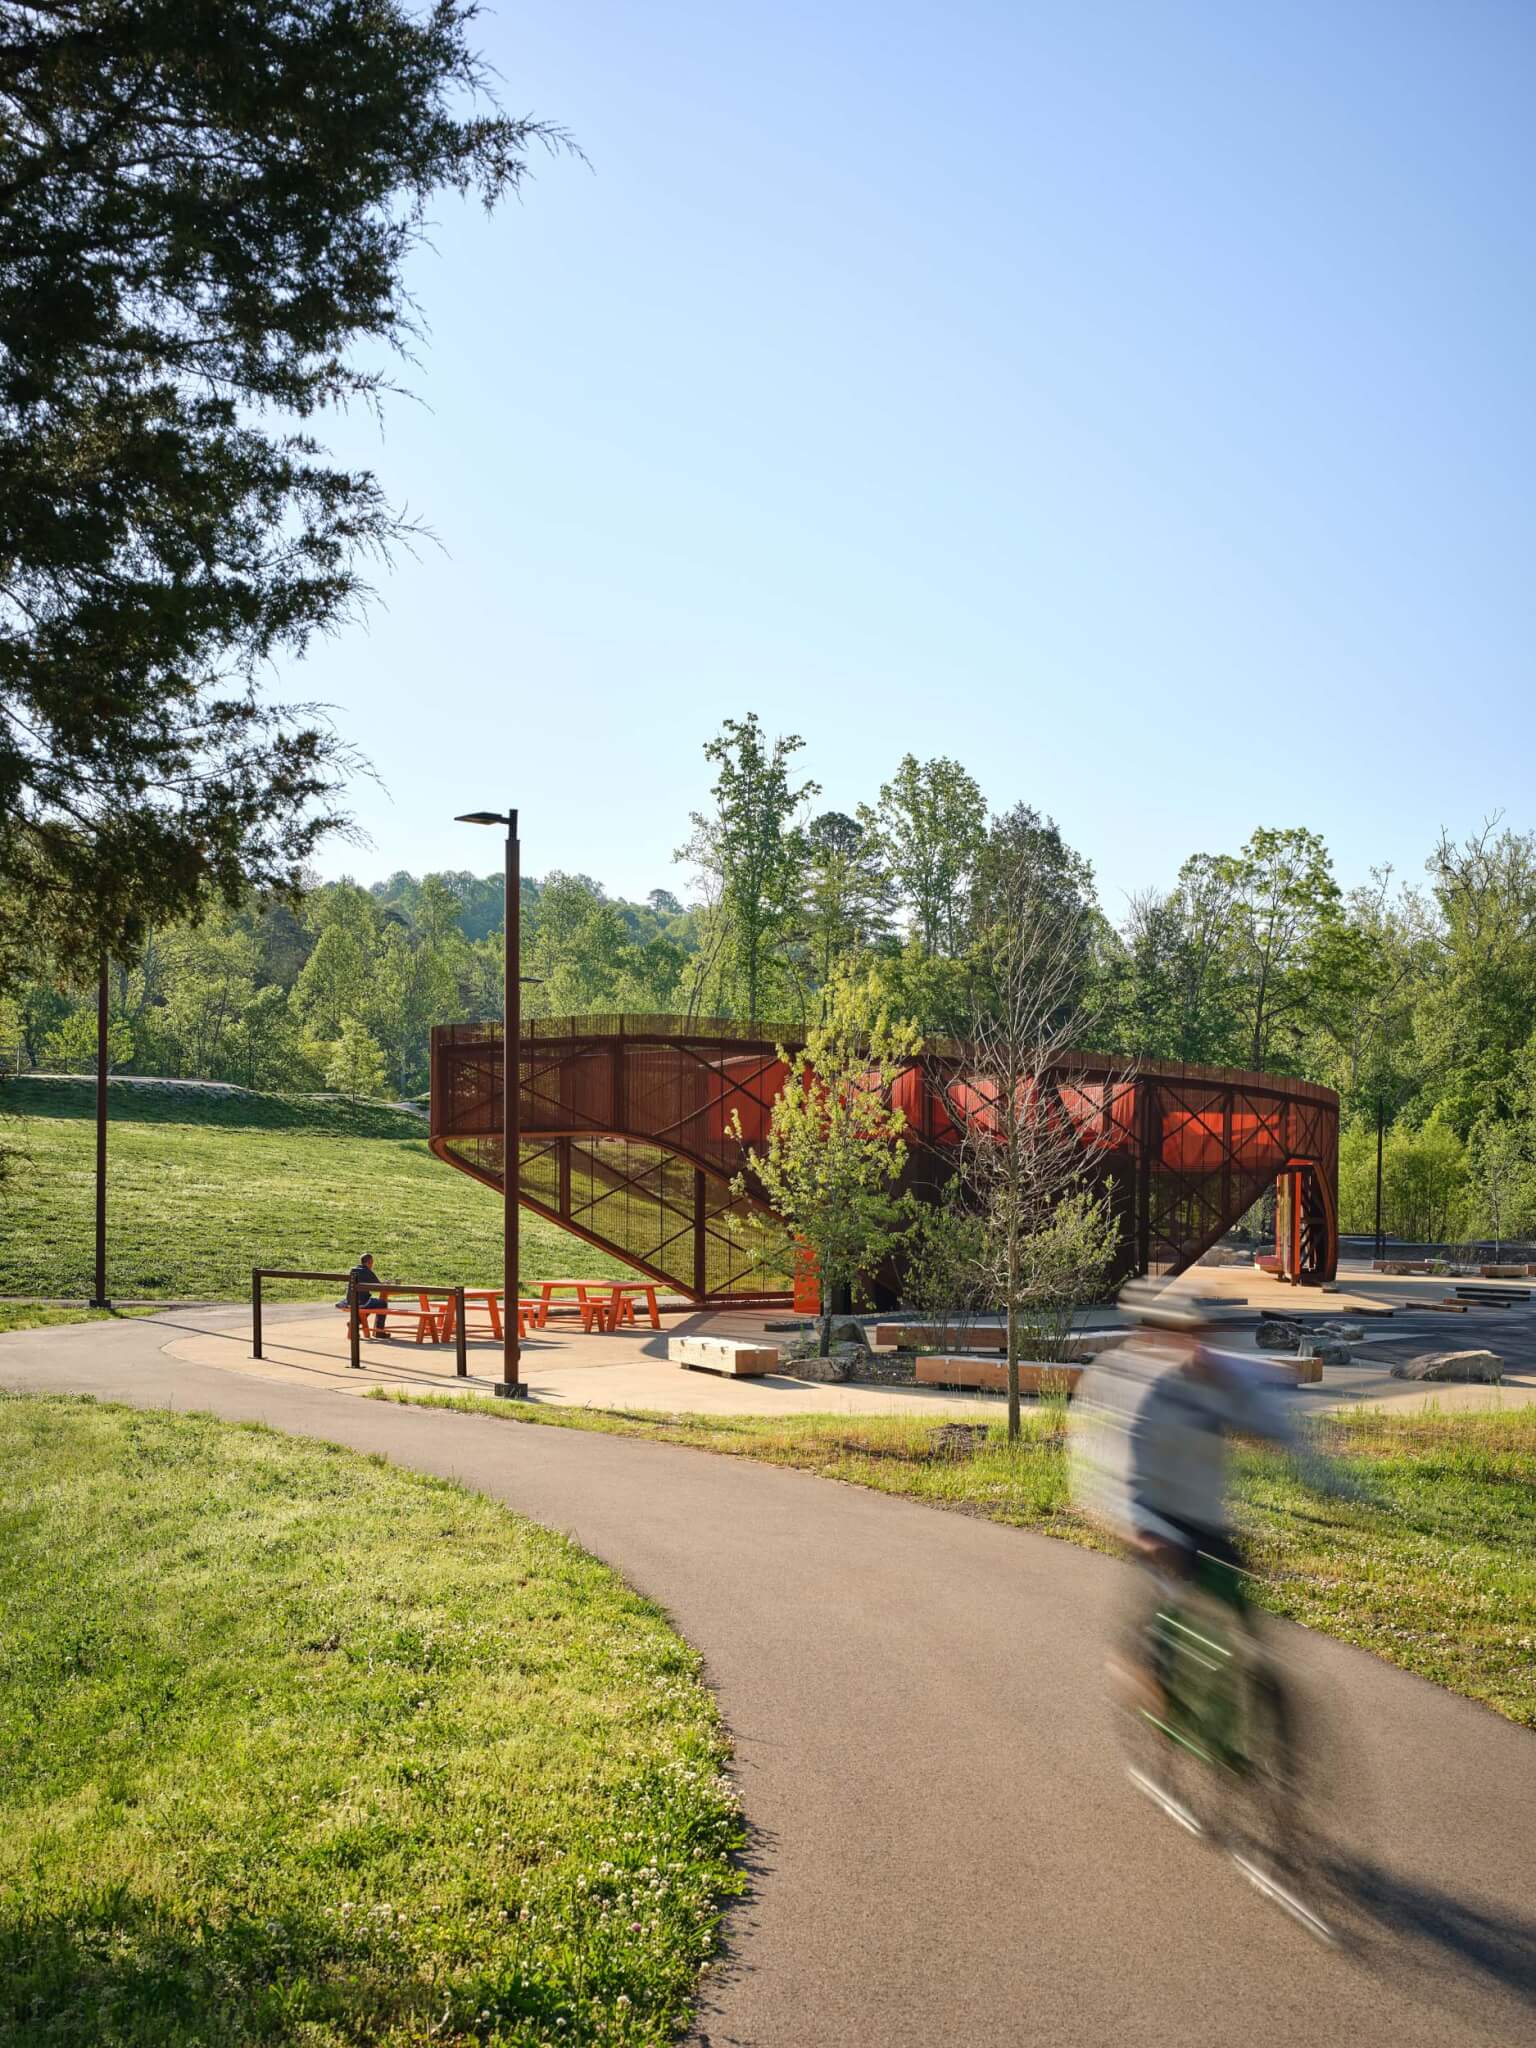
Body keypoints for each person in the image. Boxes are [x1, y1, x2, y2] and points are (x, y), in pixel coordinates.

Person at [1071, 1278, 1335, 1710]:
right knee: (1172, 1585)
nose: (1192, 1342)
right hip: (1149, 1514)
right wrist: (1137, 1530)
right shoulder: (1121, 1381)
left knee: (1240, 1604)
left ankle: (1265, 1707)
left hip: (1204, 1512)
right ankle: (1149, 1664)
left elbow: (1276, 1423)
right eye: (1179, 1332)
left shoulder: (1218, 1375)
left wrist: (1326, 1480)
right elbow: (1102, 1466)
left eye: (1197, 1332)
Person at [346, 1252, 391, 1340]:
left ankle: (355, 1324)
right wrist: (385, 1283)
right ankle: (379, 1331)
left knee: (371, 1304)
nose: (372, 1265)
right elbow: (378, 1287)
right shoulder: (367, 1271)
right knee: (382, 1303)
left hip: (350, 1300)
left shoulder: (353, 1270)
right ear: (369, 1262)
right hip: (362, 1301)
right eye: (372, 1262)